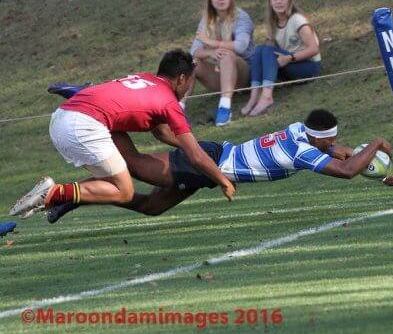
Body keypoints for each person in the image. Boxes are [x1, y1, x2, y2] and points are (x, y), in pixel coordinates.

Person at [41, 109, 393, 223]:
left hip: (212, 164)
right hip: (210, 161)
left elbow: (345, 157)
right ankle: (103, 115)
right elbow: (347, 166)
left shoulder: (304, 134)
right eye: (330, 142)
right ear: (321, 140)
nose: (334, 146)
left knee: (150, 206)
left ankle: (76, 199)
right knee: (135, 164)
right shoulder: (302, 152)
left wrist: (381, 178)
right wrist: (378, 143)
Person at [9, 50, 236, 219]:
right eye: (190, 83)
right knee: (124, 190)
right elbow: (195, 156)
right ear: (182, 79)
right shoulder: (169, 101)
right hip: (83, 124)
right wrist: (224, 181)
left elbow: (161, 132)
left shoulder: (144, 79)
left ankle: (64, 197)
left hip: (64, 117)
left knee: (118, 183)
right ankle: (55, 193)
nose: (188, 89)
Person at [241, 0, 321, 117]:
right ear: (270, 2)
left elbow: (314, 49)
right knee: (261, 49)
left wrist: (290, 58)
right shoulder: (273, 23)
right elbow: (270, 52)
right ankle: (254, 97)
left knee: (266, 51)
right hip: (288, 63)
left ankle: (266, 96)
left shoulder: (297, 19)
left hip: (308, 65)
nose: (279, 1)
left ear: (289, 1)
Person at [187, 0, 255, 126]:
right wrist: (210, 53)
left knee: (226, 54)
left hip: (245, 75)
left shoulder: (241, 17)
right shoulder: (207, 20)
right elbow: (194, 51)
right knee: (192, 62)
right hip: (220, 75)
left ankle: (225, 108)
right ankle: (179, 109)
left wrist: (213, 44)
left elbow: (241, 46)